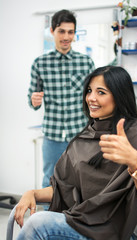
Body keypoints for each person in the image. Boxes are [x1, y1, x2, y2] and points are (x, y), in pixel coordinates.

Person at [16, 66, 137, 240]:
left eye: (101, 92)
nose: (91, 98)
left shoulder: (136, 134)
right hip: (89, 223)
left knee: (38, 224)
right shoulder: (85, 136)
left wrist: (136, 163)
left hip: (122, 230)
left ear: (119, 95)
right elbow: (64, 189)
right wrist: (32, 193)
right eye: (90, 91)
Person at [27, 9, 95, 189]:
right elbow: (32, 97)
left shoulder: (86, 63)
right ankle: (46, 216)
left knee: (83, 178)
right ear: (52, 31)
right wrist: (34, 100)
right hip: (52, 134)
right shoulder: (40, 64)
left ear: (74, 33)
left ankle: (79, 216)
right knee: (50, 179)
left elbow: (94, 96)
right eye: (61, 31)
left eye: (70, 32)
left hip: (80, 133)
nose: (66, 36)